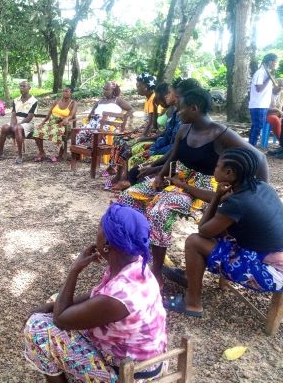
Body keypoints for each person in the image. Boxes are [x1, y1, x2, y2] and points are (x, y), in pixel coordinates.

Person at [118, 88, 269, 287]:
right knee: (127, 197)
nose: (178, 113)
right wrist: (159, 175)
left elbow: (260, 158)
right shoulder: (184, 129)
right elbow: (173, 157)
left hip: (201, 187)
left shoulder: (221, 134)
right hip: (177, 178)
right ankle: (137, 254)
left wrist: (260, 192)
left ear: (194, 108)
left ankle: (156, 274)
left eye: (181, 110)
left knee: (160, 211)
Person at [24, 203, 167, 383]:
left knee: (36, 328)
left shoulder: (118, 296)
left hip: (130, 376)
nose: (97, 230)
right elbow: (96, 296)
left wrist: (74, 270)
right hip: (148, 362)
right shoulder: (134, 264)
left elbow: (60, 320)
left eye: (100, 226)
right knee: (56, 301)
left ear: (107, 243)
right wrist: (52, 305)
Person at [164, 148, 283, 317]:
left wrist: (215, 199)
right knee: (221, 230)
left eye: (217, 166)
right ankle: (190, 276)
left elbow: (203, 230)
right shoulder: (258, 186)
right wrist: (184, 186)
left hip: (272, 271)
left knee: (194, 241)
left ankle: (192, 303)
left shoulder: (238, 202)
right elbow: (219, 197)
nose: (214, 168)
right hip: (273, 254)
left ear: (229, 172)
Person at [0, 81, 37, 164]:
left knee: (18, 128)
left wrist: (17, 125)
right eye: (20, 86)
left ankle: (20, 155)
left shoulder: (34, 101)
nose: (22, 88)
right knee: (4, 127)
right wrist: (12, 124)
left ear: (29, 88)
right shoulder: (16, 100)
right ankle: (0, 153)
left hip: (28, 123)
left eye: (24, 86)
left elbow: (29, 117)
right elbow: (13, 114)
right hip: (16, 121)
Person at [75, 82, 133, 146]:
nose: (104, 91)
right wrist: (92, 116)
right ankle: (83, 150)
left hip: (108, 124)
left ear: (112, 90)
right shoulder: (100, 101)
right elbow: (90, 115)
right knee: (81, 132)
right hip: (93, 122)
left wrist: (124, 117)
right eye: (104, 89)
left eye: (107, 89)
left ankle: (94, 149)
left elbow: (131, 109)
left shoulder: (117, 100)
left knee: (97, 132)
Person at [33, 87, 77, 162]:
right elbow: (49, 113)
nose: (65, 93)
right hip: (51, 123)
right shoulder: (57, 101)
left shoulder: (73, 103)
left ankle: (60, 155)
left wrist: (66, 119)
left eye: (67, 91)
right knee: (37, 131)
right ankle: (42, 152)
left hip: (62, 124)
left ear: (70, 93)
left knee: (57, 132)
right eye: (64, 91)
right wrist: (42, 123)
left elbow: (72, 115)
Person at [248, 53, 281, 146]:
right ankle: (251, 147)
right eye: (275, 62)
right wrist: (268, 79)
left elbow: (270, 92)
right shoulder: (260, 73)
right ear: (270, 62)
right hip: (258, 104)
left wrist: (278, 88)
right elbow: (259, 89)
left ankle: (250, 146)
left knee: (257, 126)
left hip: (263, 105)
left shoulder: (267, 73)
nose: (276, 64)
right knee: (258, 126)